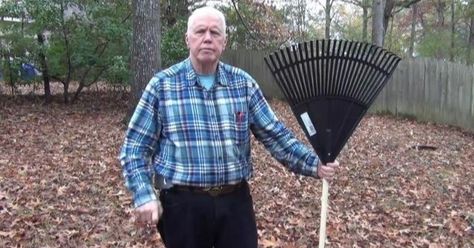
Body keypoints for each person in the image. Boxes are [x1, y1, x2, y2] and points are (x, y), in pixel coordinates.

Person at [119, 6, 340, 248]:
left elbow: (276, 136)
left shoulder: (243, 85)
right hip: (183, 207)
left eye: (215, 32)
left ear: (224, 41)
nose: (207, 38)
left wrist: (314, 164)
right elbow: (134, 149)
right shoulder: (162, 86)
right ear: (187, 39)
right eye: (200, 31)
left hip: (235, 204)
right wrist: (143, 194)